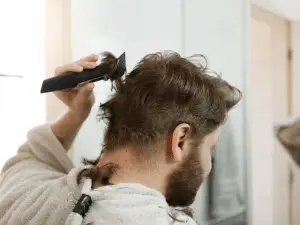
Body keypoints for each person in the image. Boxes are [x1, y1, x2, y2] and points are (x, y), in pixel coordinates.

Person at [0, 51, 241, 225]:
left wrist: (74, 115)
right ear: (180, 140)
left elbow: (28, 159)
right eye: (211, 149)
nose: (209, 166)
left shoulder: (29, 196)